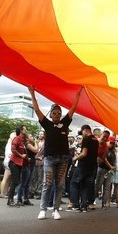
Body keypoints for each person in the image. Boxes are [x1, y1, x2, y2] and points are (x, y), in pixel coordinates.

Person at [30, 86, 82, 220]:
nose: (57, 115)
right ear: (51, 114)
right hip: (49, 159)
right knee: (47, 184)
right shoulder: (46, 124)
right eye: (55, 113)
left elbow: (73, 108)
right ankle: (42, 209)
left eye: (59, 113)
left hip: (63, 159)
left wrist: (78, 94)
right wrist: (32, 93)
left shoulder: (65, 123)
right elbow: (36, 109)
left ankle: (56, 209)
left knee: (59, 185)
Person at [70, 124, 98, 212]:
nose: (82, 135)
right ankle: (84, 206)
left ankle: (75, 205)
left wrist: (75, 158)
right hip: (92, 166)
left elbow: (84, 153)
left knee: (74, 183)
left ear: (85, 130)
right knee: (85, 185)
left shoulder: (86, 139)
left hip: (83, 165)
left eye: (82, 133)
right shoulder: (96, 140)